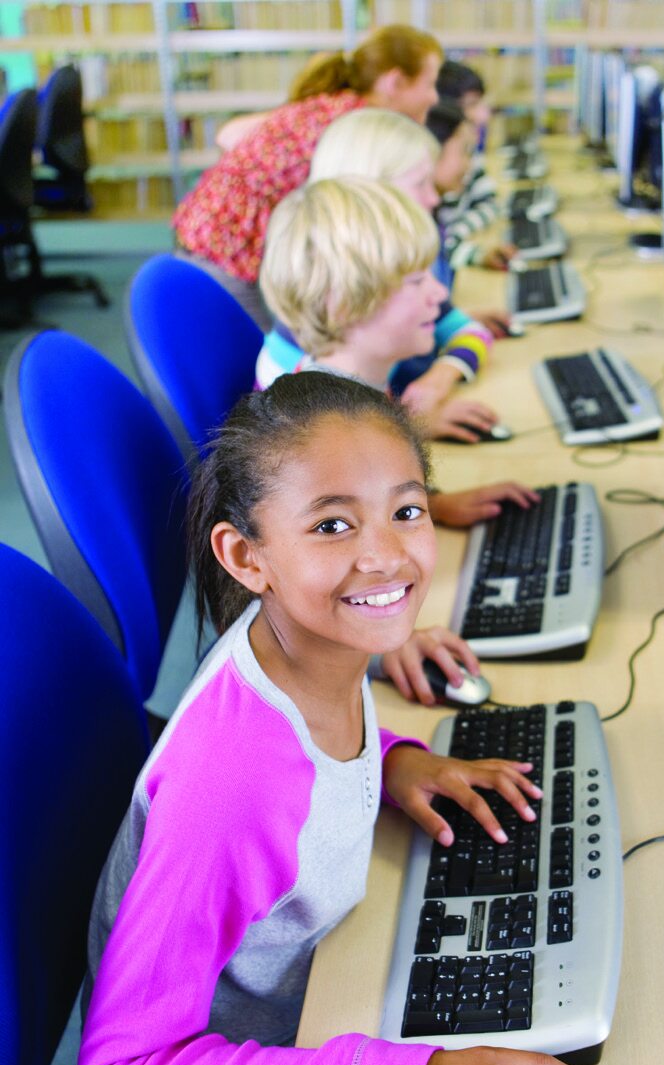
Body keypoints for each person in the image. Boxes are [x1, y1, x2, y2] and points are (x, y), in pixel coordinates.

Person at [71, 372, 599, 1065]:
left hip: (314, 1007)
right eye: (332, 524)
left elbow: (312, 751)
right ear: (247, 557)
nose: (386, 553)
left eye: (408, 509)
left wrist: (392, 759)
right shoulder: (233, 787)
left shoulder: (308, 641)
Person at [256, 177, 537, 700]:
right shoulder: (312, 440)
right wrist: (379, 649)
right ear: (343, 304)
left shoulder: (355, 395)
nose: (439, 294)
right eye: (415, 282)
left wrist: (434, 505)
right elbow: (274, 598)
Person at [172, 24, 442, 329]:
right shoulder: (357, 127)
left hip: (214, 236)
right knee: (256, 355)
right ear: (395, 82)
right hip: (226, 246)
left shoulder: (335, 105)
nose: (434, 98)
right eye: (430, 83)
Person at [264, 107, 501, 438]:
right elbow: (331, 448)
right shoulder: (308, 381)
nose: (434, 198)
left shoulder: (389, 284)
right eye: (420, 183)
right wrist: (408, 429)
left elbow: (470, 331)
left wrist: (434, 384)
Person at [434, 61, 516, 274]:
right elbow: (441, 242)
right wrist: (462, 245)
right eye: (472, 104)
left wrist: (457, 236)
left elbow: (488, 202)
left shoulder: (463, 153)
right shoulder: (443, 163)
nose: (483, 115)